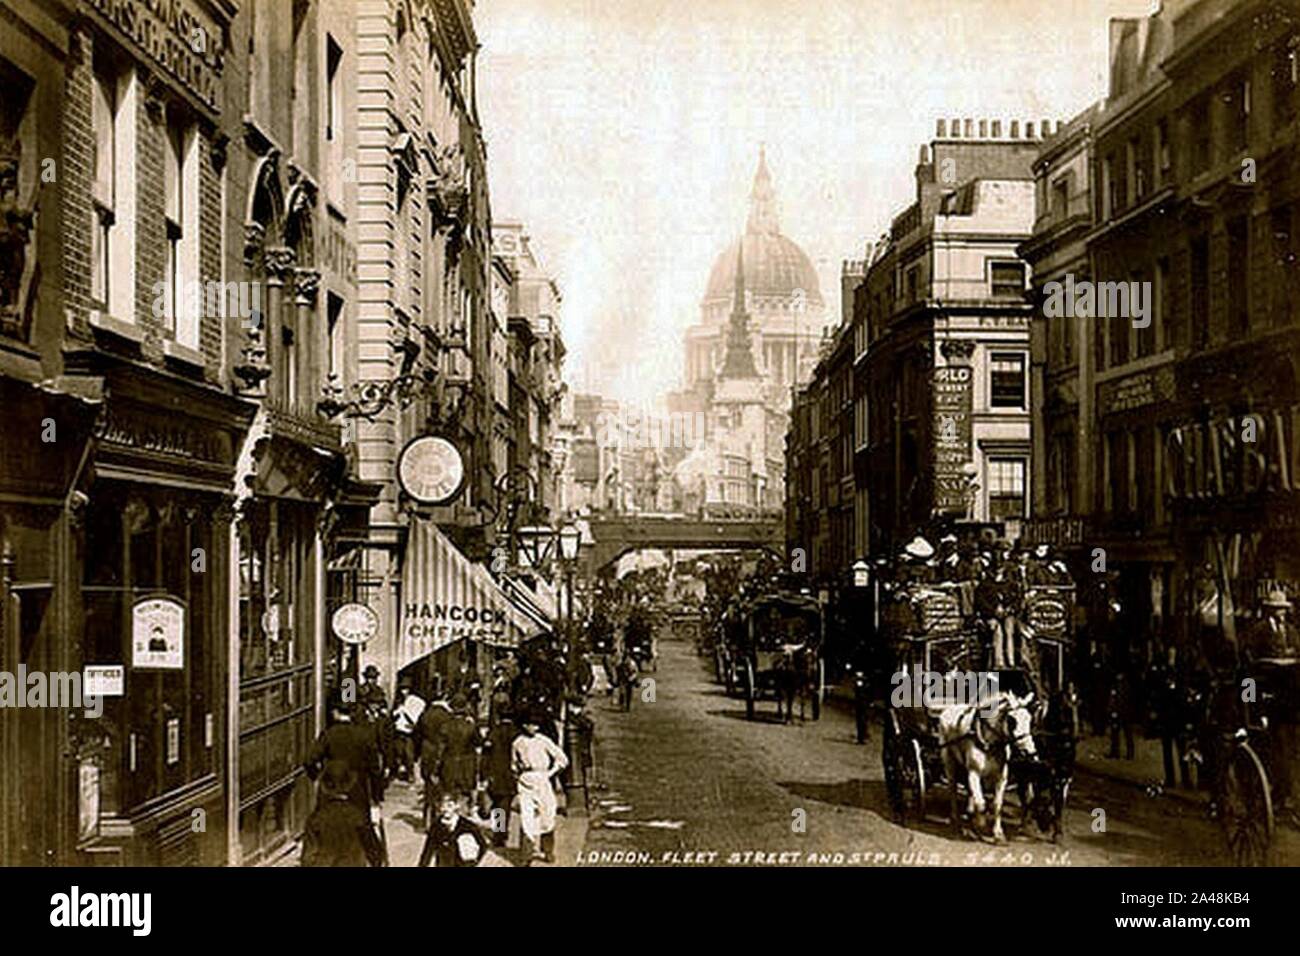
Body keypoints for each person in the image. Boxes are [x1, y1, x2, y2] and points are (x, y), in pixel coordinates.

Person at [305, 701, 385, 817]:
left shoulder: (329, 734)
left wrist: (317, 776)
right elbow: (375, 769)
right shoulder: (364, 736)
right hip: (358, 790)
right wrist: (376, 797)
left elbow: (309, 760)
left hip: (331, 788)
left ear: (335, 713)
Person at [301, 760, 385, 868]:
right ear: (348, 786)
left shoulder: (315, 819)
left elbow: (307, 858)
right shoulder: (357, 816)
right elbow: (374, 852)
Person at [511, 713, 569, 863]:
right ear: (524, 725)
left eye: (536, 725)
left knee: (547, 816)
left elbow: (562, 759)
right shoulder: (517, 742)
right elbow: (514, 764)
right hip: (525, 782)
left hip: (541, 780)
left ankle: (547, 850)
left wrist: (550, 773)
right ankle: (525, 855)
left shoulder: (543, 740)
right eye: (531, 724)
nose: (534, 728)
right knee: (526, 818)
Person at [418, 792, 489, 867]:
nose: (446, 809)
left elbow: (483, 845)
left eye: (449, 806)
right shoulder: (436, 826)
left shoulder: (468, 827)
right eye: (442, 806)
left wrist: (474, 861)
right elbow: (428, 850)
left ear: (456, 806)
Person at [482, 714, 517, 846]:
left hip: (495, 773)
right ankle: (502, 832)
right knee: (505, 805)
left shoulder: (493, 732)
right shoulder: (516, 733)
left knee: (498, 804)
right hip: (510, 774)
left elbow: (486, 756)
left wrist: (484, 774)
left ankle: (499, 833)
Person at [391, 681, 425, 783]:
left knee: (409, 754)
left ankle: (410, 774)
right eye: (402, 689)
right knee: (398, 752)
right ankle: (400, 772)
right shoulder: (399, 700)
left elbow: (415, 716)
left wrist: (404, 712)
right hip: (399, 729)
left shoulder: (414, 701)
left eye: (405, 689)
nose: (403, 691)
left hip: (408, 731)